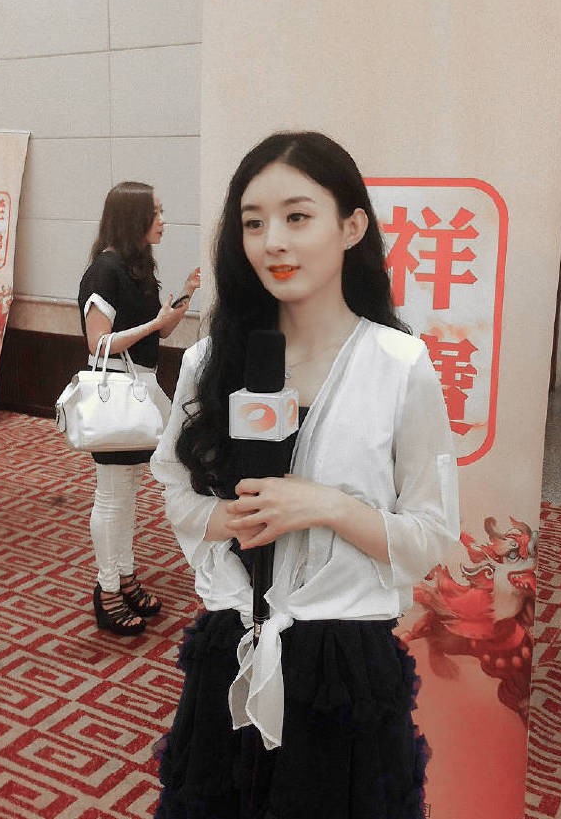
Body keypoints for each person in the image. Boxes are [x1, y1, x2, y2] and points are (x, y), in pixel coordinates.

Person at [150, 132, 460, 818]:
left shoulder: (399, 365)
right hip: (231, 647)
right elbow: (173, 484)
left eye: (297, 216)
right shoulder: (210, 359)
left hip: (343, 667)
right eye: (254, 222)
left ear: (351, 227)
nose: (273, 242)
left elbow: (430, 536)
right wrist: (219, 518)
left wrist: (326, 506)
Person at [78, 181, 200, 636]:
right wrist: (155, 323)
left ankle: (124, 576)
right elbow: (98, 343)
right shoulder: (104, 271)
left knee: (126, 491)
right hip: (117, 394)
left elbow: (157, 333)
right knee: (113, 493)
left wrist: (181, 300)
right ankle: (108, 588)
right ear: (133, 218)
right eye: (156, 211)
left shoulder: (137, 268)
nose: (163, 220)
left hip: (140, 390)